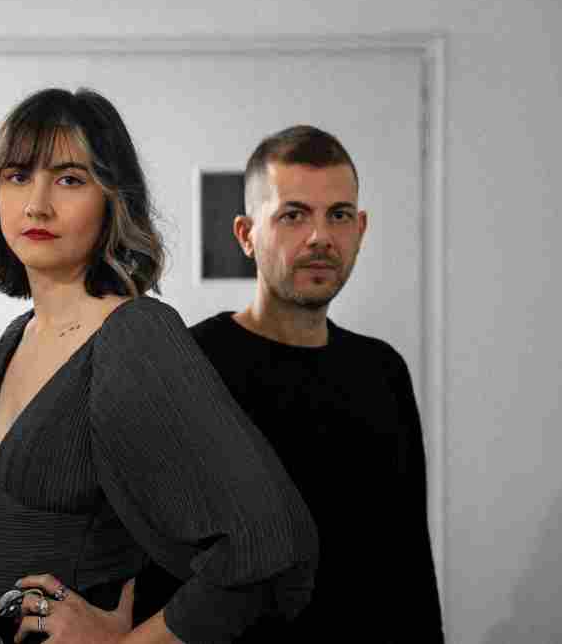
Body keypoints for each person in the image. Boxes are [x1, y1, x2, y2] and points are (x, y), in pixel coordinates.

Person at [0, 88, 318, 644]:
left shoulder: (134, 333)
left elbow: (267, 540)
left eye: (70, 179)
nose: (37, 204)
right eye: (18, 176)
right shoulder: (17, 336)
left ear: (113, 199)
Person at [138, 125, 444, 641]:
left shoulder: (382, 371)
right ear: (246, 234)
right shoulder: (189, 365)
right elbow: (154, 567)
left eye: (338, 215)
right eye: (293, 215)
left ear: (360, 229)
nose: (320, 237)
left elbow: (409, 563)